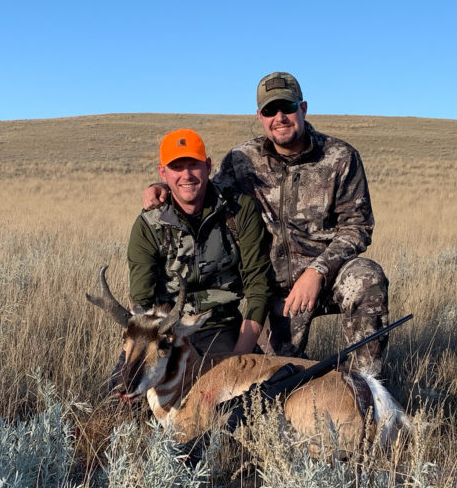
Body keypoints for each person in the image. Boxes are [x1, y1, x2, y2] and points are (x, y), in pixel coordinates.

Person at [143, 73, 389, 374]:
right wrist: (164, 187)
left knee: (367, 278)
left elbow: (357, 227)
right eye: (270, 110)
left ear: (304, 108)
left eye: (287, 106)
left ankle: (367, 384)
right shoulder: (242, 159)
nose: (280, 117)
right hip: (271, 291)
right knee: (268, 378)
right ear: (259, 116)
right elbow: (206, 194)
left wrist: (318, 271)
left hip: (325, 277)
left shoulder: (340, 157)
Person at [127, 128, 273, 357]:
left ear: (207, 166)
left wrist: (239, 357)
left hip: (219, 328)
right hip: (163, 333)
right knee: (120, 389)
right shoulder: (148, 224)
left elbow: (258, 286)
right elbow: (141, 301)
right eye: (176, 167)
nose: (186, 175)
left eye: (193, 165)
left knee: (224, 390)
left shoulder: (239, 211)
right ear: (162, 173)